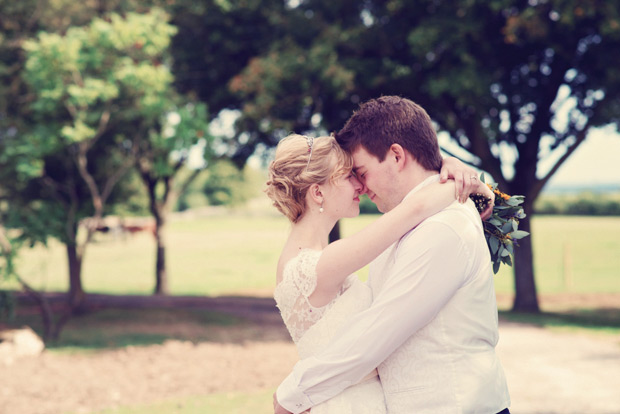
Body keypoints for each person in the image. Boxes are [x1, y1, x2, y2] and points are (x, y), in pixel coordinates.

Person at [273, 96, 511, 414]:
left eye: (360, 171)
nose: (359, 184)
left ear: (396, 156)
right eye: (349, 175)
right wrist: (462, 180)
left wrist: (291, 394)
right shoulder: (396, 227)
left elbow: (379, 330)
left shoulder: (445, 226)